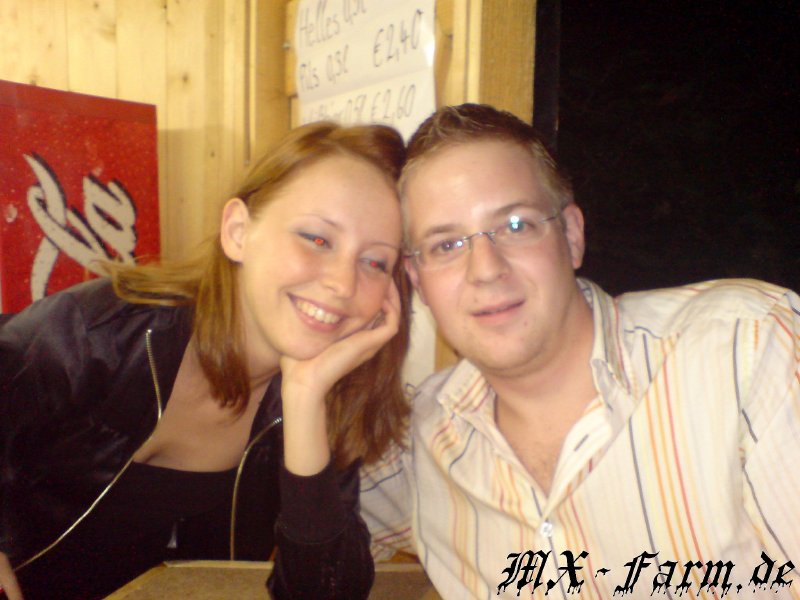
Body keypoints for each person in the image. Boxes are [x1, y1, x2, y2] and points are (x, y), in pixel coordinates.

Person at [360, 103, 800, 599]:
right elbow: (309, 538)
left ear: (571, 236)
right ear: (417, 280)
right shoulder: (426, 438)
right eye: (446, 245)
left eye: (516, 225)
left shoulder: (746, 350)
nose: (485, 269)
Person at [0, 121, 412, 600]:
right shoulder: (93, 334)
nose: (343, 283)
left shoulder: (330, 401)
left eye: (375, 262)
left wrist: (304, 400)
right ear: (238, 232)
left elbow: (324, 594)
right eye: (317, 239)